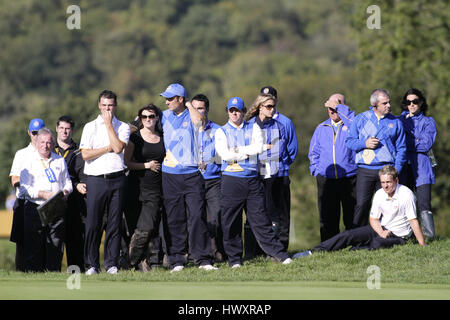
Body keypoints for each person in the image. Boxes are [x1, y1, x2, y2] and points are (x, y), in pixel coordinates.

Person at [215, 96, 292, 268]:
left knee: (261, 221)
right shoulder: (221, 131)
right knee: (231, 221)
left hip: (251, 180)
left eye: (238, 110)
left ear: (244, 111)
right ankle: (235, 259)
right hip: (231, 180)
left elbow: (258, 148)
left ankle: (280, 254)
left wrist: (237, 150)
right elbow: (225, 155)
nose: (234, 113)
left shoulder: (254, 126)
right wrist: (246, 151)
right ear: (228, 112)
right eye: (231, 110)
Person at [293, 165, 426, 258]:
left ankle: (355, 250)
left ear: (396, 180)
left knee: (377, 243)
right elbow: (373, 219)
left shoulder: (406, 194)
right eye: (383, 182)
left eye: (389, 182)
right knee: (348, 234)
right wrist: (381, 232)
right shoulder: (380, 193)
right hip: (381, 229)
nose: (385, 185)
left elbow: (413, 221)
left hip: (399, 236)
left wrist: (422, 245)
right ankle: (313, 252)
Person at [159, 83, 216, 272]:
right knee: (175, 218)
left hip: (192, 174)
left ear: (180, 99)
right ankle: (176, 260)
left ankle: (203, 258)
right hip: (170, 175)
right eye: (165, 98)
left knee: (197, 216)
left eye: (170, 98)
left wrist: (190, 105)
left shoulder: (191, 114)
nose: (166, 102)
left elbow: (200, 121)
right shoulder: (164, 115)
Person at [80, 89, 130, 275]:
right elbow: (86, 154)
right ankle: (92, 264)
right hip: (96, 179)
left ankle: (111, 264)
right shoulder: (90, 127)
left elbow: (117, 148)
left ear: (115, 106)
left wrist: (109, 126)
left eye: (110, 105)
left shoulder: (122, 127)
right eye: (104, 105)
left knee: (115, 223)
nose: (107, 109)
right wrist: (106, 147)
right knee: (93, 223)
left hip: (117, 178)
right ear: (99, 106)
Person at [346, 89, 406, 228]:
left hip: (387, 170)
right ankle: (358, 240)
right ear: (375, 105)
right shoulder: (360, 119)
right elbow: (349, 142)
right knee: (362, 204)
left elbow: (402, 148)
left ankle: (386, 238)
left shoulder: (396, 122)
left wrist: (396, 170)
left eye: (389, 102)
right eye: (384, 103)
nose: (388, 105)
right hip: (365, 170)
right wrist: (364, 143)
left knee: (387, 206)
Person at [18, 128, 73, 272]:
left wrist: (65, 192)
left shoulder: (59, 160)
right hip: (35, 207)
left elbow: (67, 182)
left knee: (56, 245)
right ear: (37, 143)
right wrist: (43, 194)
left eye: (48, 142)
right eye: (42, 142)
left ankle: (53, 275)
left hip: (56, 207)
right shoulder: (28, 161)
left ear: (53, 143)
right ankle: (34, 277)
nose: (45, 145)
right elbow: (23, 189)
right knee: (34, 246)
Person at [308, 94, 357, 241]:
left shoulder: (352, 125)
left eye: (336, 106)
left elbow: (355, 124)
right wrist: (317, 171)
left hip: (350, 177)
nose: (333, 110)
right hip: (326, 179)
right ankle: (329, 245)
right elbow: (313, 153)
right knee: (328, 216)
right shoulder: (321, 128)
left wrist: (340, 109)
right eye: (330, 107)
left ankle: (355, 242)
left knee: (352, 214)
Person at [124, 103, 165, 271]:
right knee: (135, 228)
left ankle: (129, 262)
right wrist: (146, 166)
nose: (148, 120)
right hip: (135, 187)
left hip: (155, 188)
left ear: (156, 118)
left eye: (151, 116)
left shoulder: (163, 137)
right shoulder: (135, 138)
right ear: (140, 119)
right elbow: (127, 163)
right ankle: (141, 264)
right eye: (144, 117)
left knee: (147, 227)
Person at [191, 94, 226, 262]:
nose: (198, 112)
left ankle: (217, 251)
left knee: (216, 216)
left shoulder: (218, 130)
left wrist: (210, 161)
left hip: (213, 179)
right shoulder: (187, 130)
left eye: (201, 108)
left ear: (207, 110)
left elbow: (223, 155)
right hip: (192, 180)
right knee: (195, 218)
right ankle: (196, 253)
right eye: (195, 108)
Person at [399, 88, 437, 238]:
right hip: (404, 166)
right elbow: (398, 142)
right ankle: (406, 236)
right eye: (409, 102)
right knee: (405, 202)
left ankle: (428, 236)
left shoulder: (429, 122)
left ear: (421, 102)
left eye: (415, 101)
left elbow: (426, 144)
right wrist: (416, 140)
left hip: (422, 167)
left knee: (424, 203)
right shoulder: (399, 121)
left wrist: (406, 141)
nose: (412, 104)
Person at [9, 118, 45, 271]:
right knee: (22, 241)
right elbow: (14, 177)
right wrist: (24, 186)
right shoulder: (21, 154)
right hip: (24, 201)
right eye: (34, 133)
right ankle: (21, 271)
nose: (37, 136)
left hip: (43, 201)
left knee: (43, 240)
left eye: (40, 133)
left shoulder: (50, 153)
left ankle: (42, 271)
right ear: (29, 133)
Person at [54, 115, 86, 272]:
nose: (64, 131)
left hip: (74, 202)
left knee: (74, 241)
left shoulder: (79, 151)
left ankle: (75, 275)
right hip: (53, 201)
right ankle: (52, 272)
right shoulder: (49, 149)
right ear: (56, 129)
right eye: (61, 128)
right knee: (55, 241)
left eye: (67, 128)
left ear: (72, 130)